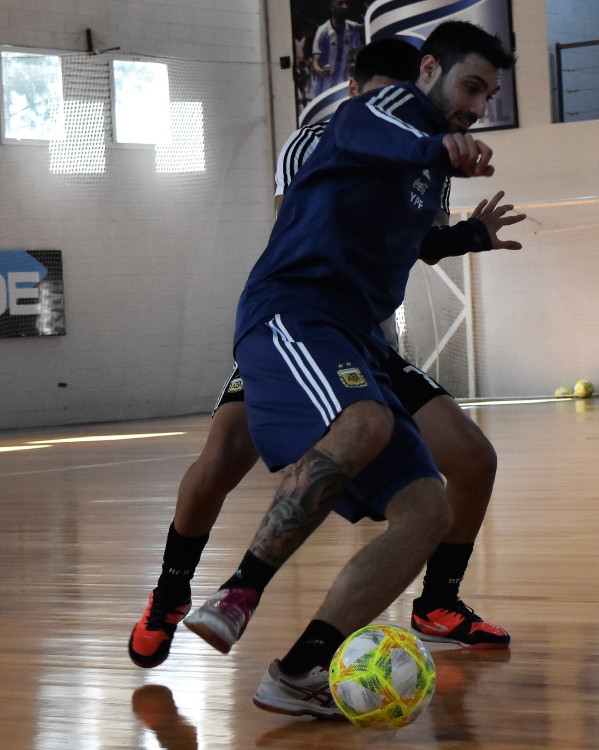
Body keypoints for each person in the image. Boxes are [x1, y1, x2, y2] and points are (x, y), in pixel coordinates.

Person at [128, 36, 519, 674]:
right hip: (299, 320)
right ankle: (174, 591)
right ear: (369, 91)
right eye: (470, 88)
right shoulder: (331, 135)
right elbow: (310, 215)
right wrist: (428, 149)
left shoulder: (432, 152)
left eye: (485, 95)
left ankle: (433, 604)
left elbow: (412, 240)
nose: (475, 107)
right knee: (225, 457)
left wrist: (468, 234)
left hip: (364, 336)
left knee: (469, 461)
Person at [311, 0, 363, 97]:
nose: (344, 7)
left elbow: (358, 54)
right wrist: (321, 72)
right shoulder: (323, 32)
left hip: (342, 87)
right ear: (332, 8)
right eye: (340, 3)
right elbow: (315, 64)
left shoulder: (352, 28)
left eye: (346, 3)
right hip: (323, 90)